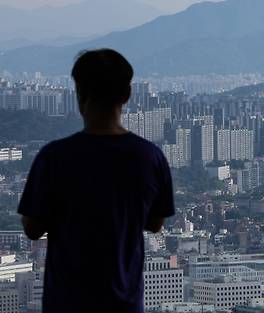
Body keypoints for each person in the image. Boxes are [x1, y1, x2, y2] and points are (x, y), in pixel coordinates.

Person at [17, 49, 175, 313]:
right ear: (127, 94)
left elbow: (32, 228)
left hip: (66, 301)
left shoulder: (54, 157)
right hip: (123, 303)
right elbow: (156, 223)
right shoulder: (149, 157)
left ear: (79, 93)